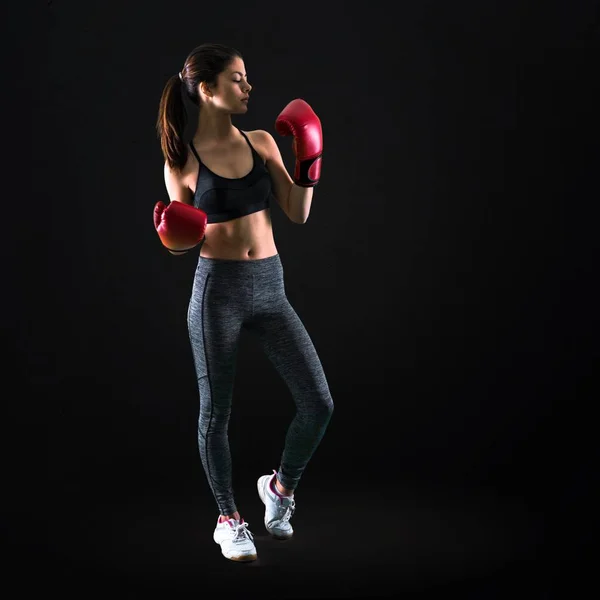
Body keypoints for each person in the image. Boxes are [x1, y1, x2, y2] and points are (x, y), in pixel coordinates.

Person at [154, 43, 334, 562]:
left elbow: (297, 213)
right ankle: (228, 519)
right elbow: (180, 243)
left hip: (270, 288)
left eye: (247, 77)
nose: (248, 86)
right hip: (219, 294)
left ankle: (278, 491)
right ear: (207, 90)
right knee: (216, 413)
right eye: (237, 79)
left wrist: (310, 157)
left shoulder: (260, 142)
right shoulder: (182, 162)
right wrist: (171, 235)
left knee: (318, 402)